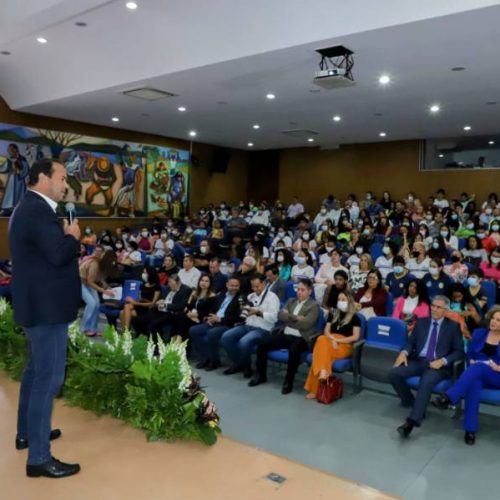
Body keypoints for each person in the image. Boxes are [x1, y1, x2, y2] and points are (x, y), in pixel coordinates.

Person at [9, 158, 81, 478]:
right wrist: (73, 236)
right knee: (48, 380)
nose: (66, 184)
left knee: (36, 372)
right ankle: (39, 457)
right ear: (43, 178)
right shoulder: (38, 210)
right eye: (62, 178)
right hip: (47, 311)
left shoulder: (27, 207)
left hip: (37, 306)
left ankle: (28, 433)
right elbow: (58, 254)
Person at [389, 296, 464, 439]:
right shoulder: (422, 322)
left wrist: (443, 360)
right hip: (419, 360)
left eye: (438, 307)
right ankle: (414, 404)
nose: (434, 309)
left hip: (438, 365)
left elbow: (459, 351)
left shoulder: (453, 327)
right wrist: (403, 353)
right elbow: (410, 342)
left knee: (426, 381)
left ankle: (411, 423)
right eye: (433, 306)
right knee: (394, 373)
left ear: (446, 310)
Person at [432, 306, 500, 445]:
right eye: (493, 318)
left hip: (496, 375)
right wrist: (471, 361)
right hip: (477, 372)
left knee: (478, 368)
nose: (494, 322)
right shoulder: (479, 333)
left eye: (498, 320)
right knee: (474, 383)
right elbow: (469, 353)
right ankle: (470, 430)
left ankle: (448, 397)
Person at [249, 279, 319, 394]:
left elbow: (306, 324)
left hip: (301, 337)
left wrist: (289, 317)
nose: (299, 292)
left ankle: (289, 380)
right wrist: (296, 317)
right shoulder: (291, 301)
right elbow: (280, 315)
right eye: (298, 289)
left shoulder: (314, 306)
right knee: (262, 343)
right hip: (285, 333)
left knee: (294, 350)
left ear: (309, 291)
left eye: (303, 290)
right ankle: (261, 375)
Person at [220, 274, 280, 378]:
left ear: (264, 284)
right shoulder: (250, 296)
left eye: (257, 286)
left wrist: (258, 312)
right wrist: (243, 310)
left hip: (262, 328)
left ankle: (247, 367)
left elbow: (274, 318)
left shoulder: (272, 297)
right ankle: (239, 364)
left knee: (244, 342)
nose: (255, 289)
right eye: (253, 286)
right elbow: (244, 315)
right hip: (247, 325)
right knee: (226, 337)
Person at [304, 291, 361, 399]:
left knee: (320, 350)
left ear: (349, 301)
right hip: (330, 341)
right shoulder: (332, 314)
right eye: (339, 300)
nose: (340, 302)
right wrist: (333, 339)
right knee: (322, 341)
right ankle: (323, 371)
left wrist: (339, 341)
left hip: (345, 345)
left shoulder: (355, 318)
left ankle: (314, 389)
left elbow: (355, 337)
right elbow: (326, 331)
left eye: (343, 300)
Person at [189, 277, 242, 370]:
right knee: (193, 330)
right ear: (227, 285)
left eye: (236, 286)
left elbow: (238, 317)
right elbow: (212, 308)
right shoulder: (221, 294)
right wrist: (208, 318)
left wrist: (220, 319)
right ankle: (206, 357)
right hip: (214, 320)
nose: (234, 288)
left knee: (212, 333)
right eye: (232, 285)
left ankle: (214, 361)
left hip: (227, 324)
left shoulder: (241, 298)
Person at [79, 247, 116, 336]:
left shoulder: (102, 264)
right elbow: (90, 281)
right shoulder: (94, 263)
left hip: (88, 283)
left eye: (100, 251)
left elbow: (100, 279)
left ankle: (93, 329)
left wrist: (107, 287)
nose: (97, 253)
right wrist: (104, 291)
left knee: (97, 304)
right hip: (80, 282)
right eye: (96, 251)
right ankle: (84, 329)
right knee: (91, 303)